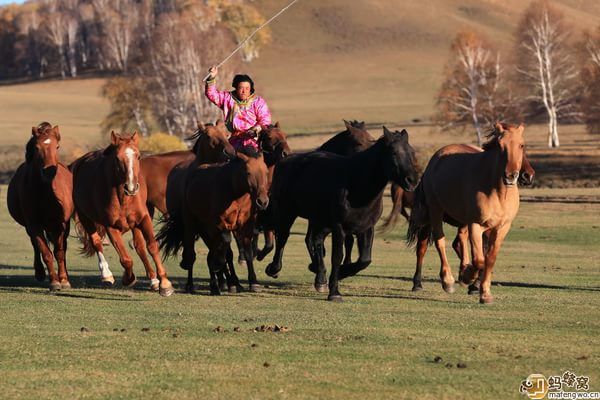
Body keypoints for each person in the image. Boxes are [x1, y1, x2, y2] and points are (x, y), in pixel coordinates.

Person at [205, 66, 272, 151]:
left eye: (247, 88)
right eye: (241, 88)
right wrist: (212, 77)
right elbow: (212, 94)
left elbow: (265, 120)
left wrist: (255, 130)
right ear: (236, 88)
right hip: (234, 141)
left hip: (255, 141)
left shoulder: (258, 102)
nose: (244, 91)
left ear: (251, 89)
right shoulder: (227, 98)